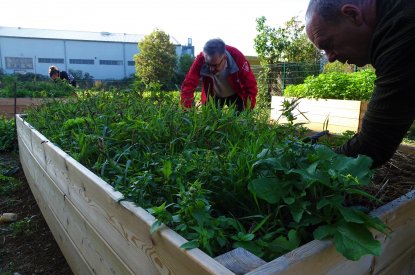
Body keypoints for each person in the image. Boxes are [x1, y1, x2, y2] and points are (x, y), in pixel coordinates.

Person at [305, 0, 415, 168]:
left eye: (327, 45)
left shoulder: (403, 28)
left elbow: (374, 143)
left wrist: (310, 165)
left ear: (352, 15)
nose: (330, 58)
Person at [181, 38, 258, 112]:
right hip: (212, 95)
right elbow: (188, 84)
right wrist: (187, 110)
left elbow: (250, 85)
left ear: (224, 57)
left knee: (241, 121)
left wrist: (248, 110)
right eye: (208, 64)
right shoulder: (201, 59)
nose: (211, 69)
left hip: (235, 94)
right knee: (209, 122)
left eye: (215, 65)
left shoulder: (237, 56)